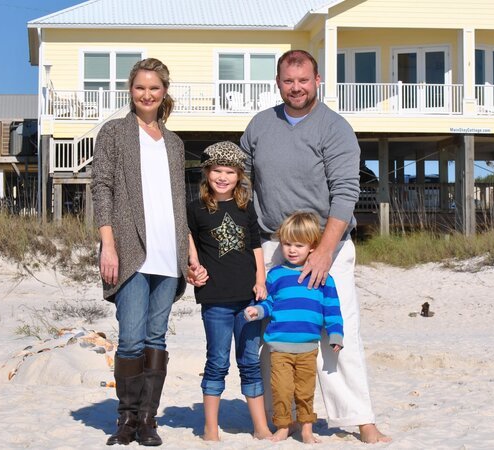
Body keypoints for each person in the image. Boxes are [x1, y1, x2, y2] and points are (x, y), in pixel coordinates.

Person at [240, 49, 390, 444]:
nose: (296, 88)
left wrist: (323, 252)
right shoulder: (258, 126)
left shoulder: (334, 127)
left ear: (317, 80)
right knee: (275, 332)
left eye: (304, 80)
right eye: (289, 81)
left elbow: (345, 192)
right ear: (277, 83)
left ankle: (361, 419)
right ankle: (281, 417)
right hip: (274, 245)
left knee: (339, 333)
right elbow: (243, 188)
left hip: (328, 246)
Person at [92, 57, 196, 447]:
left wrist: (190, 252)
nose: (147, 94)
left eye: (154, 88)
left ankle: (148, 420)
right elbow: (101, 187)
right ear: (130, 91)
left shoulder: (174, 142)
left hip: (169, 255)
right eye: (140, 88)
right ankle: (126, 420)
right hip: (131, 250)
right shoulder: (114, 133)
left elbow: (177, 203)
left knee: (157, 339)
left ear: (164, 91)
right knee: (132, 339)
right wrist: (108, 243)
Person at [185, 141, 272, 441]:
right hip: (215, 300)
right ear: (207, 173)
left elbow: (256, 246)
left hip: (248, 298)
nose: (223, 177)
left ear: (239, 175)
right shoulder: (195, 209)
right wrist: (193, 266)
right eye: (217, 171)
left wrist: (261, 281)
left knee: (249, 361)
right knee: (218, 361)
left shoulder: (246, 208)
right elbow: (187, 239)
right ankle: (210, 428)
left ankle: (260, 427)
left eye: (230, 172)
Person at [243, 211, 344, 444]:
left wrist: (336, 334)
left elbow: (332, 308)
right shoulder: (276, 274)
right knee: (281, 390)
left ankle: (306, 429)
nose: (291, 249)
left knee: (305, 391)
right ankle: (283, 425)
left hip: (308, 347)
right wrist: (257, 311)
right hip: (279, 347)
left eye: (299, 244)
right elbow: (268, 302)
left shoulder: (322, 277)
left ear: (312, 246)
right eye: (287, 243)